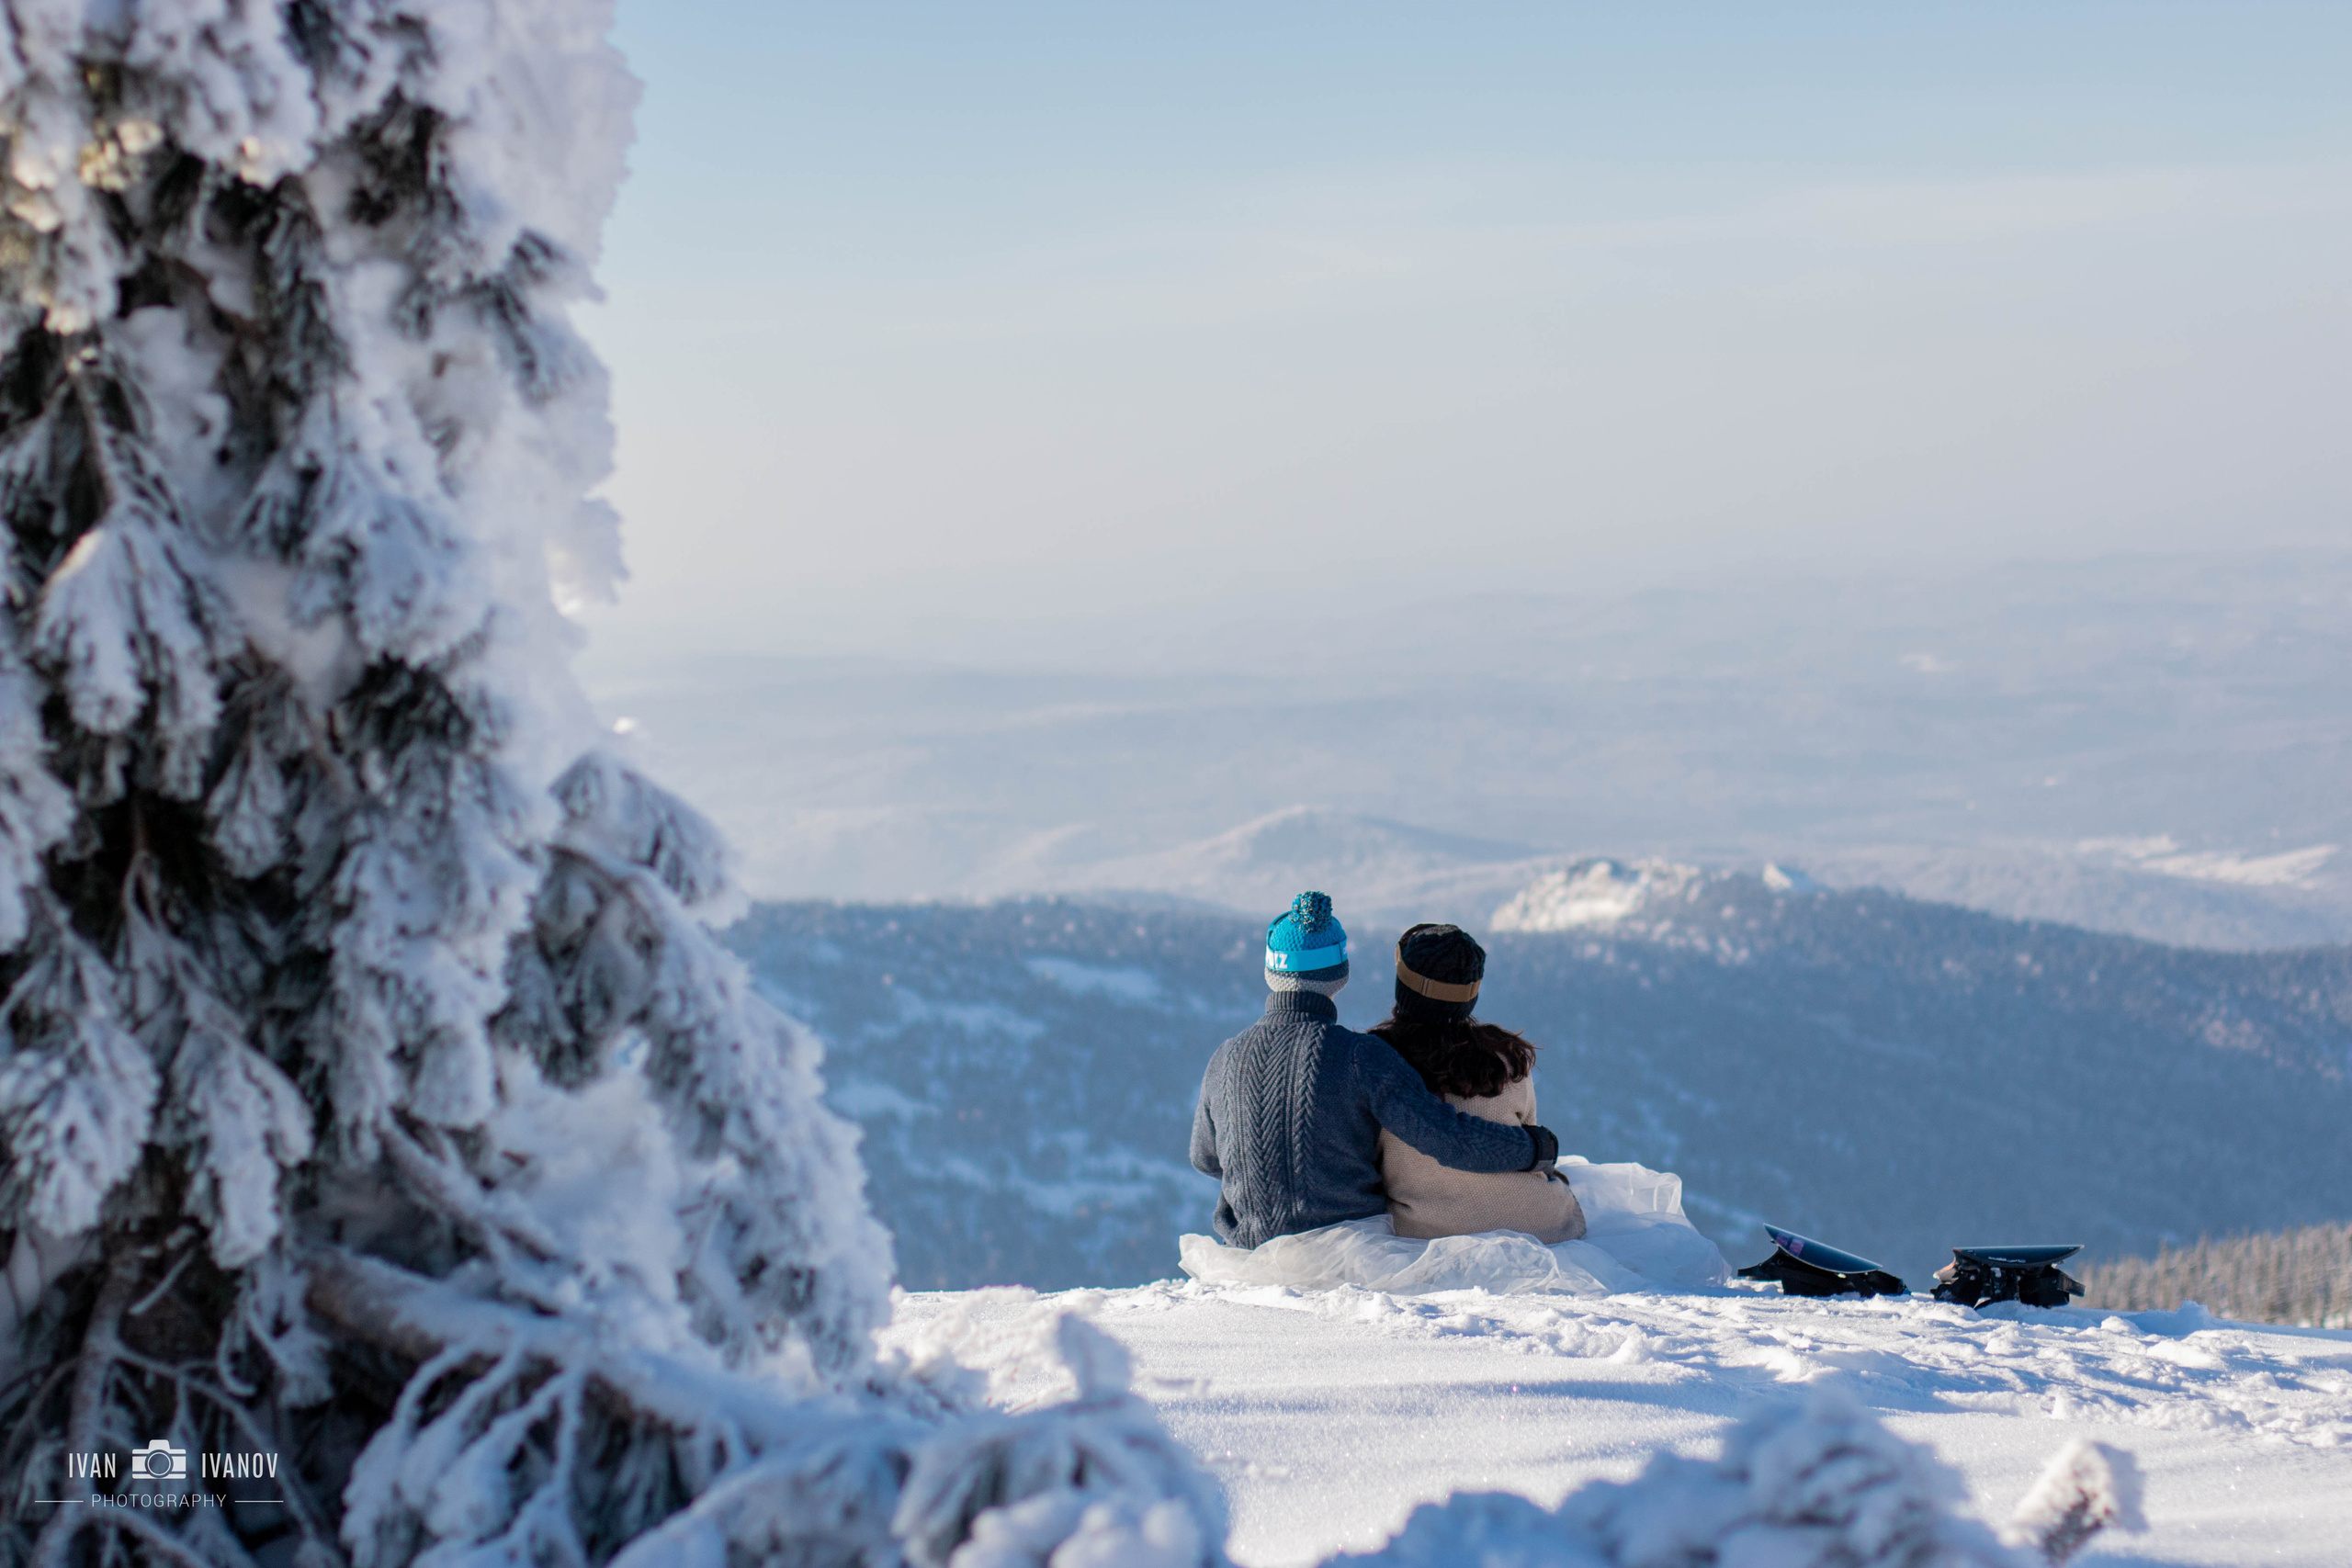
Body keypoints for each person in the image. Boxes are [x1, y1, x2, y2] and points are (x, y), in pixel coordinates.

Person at [1189, 891, 1558, 1249]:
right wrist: (1536, 1147)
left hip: (1248, 1251)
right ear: (1340, 972)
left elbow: (1204, 1158)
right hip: (1347, 1250)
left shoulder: (1224, 1057)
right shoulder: (1360, 1056)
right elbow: (1448, 1140)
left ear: (1271, 969)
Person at [1371, 923, 1586, 1245]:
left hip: (1428, 1231)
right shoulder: (1507, 1057)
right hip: (1543, 1226)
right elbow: (1526, 1138)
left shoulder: (1374, 1062)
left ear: (1403, 985)